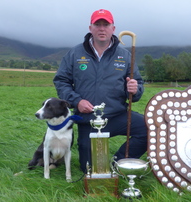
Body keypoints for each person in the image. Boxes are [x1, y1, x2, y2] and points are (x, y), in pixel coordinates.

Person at [53, 9, 147, 173]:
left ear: (113, 28)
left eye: (106, 24)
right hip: (88, 118)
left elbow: (137, 85)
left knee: (149, 130)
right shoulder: (75, 53)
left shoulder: (124, 56)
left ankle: (117, 165)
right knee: (88, 169)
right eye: (98, 24)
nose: (101, 28)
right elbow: (61, 81)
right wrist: (77, 101)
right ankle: (97, 166)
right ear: (91, 28)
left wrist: (135, 89)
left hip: (117, 115)